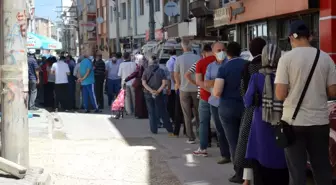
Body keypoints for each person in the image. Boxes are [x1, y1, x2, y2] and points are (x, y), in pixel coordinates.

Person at [275, 20, 336, 185]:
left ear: (290, 38)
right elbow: (332, 92)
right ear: (310, 36)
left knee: (297, 172)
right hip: (320, 122)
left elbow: (280, 95)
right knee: (322, 168)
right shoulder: (325, 58)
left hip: (294, 123)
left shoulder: (286, 59)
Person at [244, 44, 288, 185]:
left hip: (261, 123)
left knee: (263, 159)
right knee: (282, 158)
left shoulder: (257, 77)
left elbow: (247, 101)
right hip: (284, 122)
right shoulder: (286, 76)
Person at [213, 42, 247, 183]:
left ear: (228, 53)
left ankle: (239, 173)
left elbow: (217, 91)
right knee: (245, 140)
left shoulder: (223, 68)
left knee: (233, 141)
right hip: (246, 107)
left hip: (227, 107)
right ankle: (249, 173)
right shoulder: (248, 65)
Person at [235, 37, 266, 184]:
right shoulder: (272, 65)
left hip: (251, 110)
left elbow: (243, 91)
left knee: (247, 144)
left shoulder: (247, 67)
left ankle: (245, 177)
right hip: (269, 110)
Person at [204, 42, 231, 164]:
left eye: (223, 49)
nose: (221, 52)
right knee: (219, 130)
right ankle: (225, 155)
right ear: (213, 52)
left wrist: (215, 82)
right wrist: (220, 80)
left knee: (231, 129)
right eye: (218, 50)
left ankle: (234, 153)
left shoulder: (230, 64)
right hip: (215, 102)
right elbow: (206, 83)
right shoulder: (210, 66)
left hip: (228, 102)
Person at [189, 44, 217, 156]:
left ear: (203, 52)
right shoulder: (220, 61)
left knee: (203, 123)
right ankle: (226, 149)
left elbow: (198, 81)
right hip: (219, 96)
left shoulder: (201, 62)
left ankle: (203, 148)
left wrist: (209, 91)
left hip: (205, 96)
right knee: (220, 124)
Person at [174, 39, 201, 143]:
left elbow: (176, 73)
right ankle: (200, 134)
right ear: (191, 47)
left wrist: (178, 83)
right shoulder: (198, 58)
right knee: (198, 113)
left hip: (183, 89)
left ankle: (191, 137)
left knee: (187, 114)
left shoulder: (179, 59)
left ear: (182, 47)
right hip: (196, 88)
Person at [142, 54, 174, 135]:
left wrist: (151, 91)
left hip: (148, 94)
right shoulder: (161, 70)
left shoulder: (146, 70)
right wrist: (157, 91)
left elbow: (144, 83)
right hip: (159, 94)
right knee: (163, 111)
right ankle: (169, 129)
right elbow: (164, 83)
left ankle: (154, 130)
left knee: (151, 111)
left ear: (149, 62)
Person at [167, 49, 186, 136]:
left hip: (174, 87)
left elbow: (171, 74)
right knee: (185, 109)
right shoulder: (180, 59)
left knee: (176, 108)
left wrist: (176, 84)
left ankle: (176, 130)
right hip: (184, 86)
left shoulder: (170, 62)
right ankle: (186, 130)